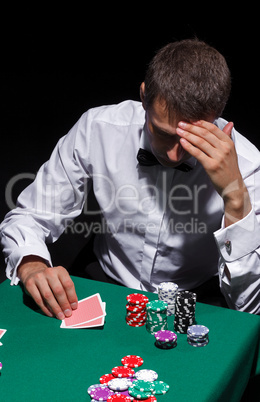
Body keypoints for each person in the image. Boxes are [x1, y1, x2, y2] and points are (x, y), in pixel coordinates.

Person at [1, 39, 259, 319]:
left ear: (219, 117)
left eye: (191, 138)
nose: (174, 156)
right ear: (144, 97)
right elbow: (31, 214)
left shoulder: (247, 164)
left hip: (199, 297)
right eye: (164, 133)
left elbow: (248, 308)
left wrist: (235, 197)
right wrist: (31, 263)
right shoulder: (98, 128)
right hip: (104, 280)